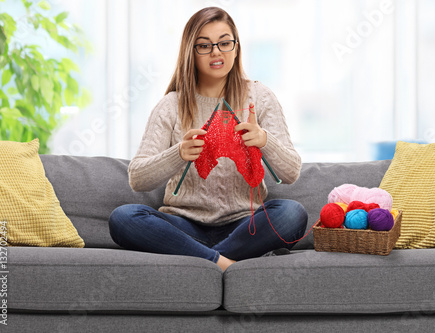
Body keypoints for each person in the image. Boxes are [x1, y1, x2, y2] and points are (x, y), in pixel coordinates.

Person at [108, 7, 307, 272]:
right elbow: (137, 178)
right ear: (191, 51)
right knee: (124, 218)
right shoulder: (171, 105)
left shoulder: (260, 97)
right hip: (184, 225)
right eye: (205, 45)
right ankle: (222, 262)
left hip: (243, 225)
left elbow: (292, 172)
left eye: (225, 43)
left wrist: (264, 140)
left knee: (292, 213)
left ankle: (200, 259)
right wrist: (178, 153)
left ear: (236, 48)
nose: (216, 52)